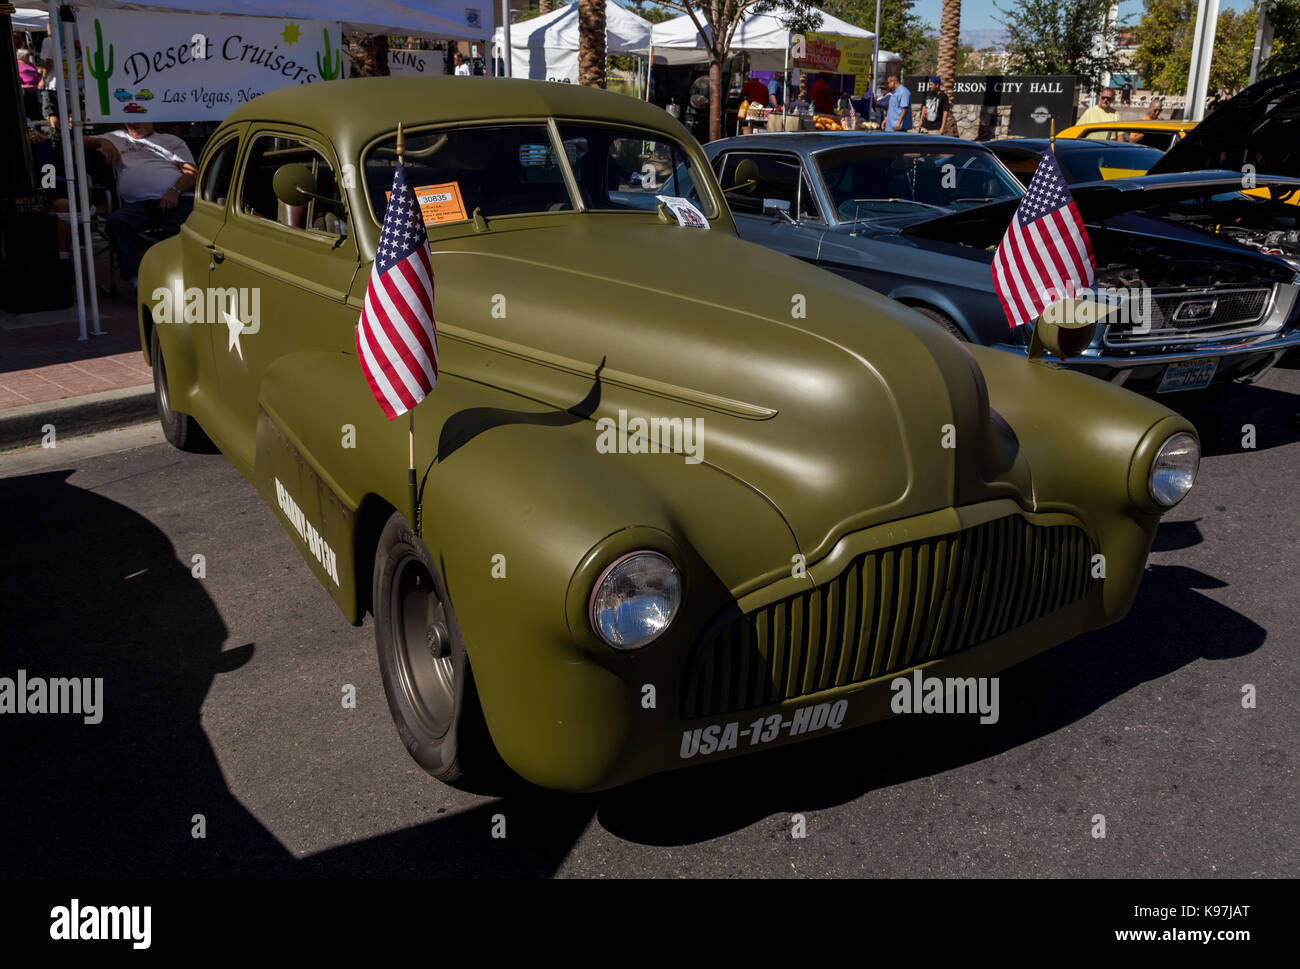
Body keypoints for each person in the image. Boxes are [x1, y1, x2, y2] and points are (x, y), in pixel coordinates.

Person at [82, 122, 197, 290]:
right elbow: (76, 142)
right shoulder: (116, 137)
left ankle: (180, 279)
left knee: (180, 229)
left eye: (138, 120)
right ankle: (139, 282)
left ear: (150, 121)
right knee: (116, 222)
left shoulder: (170, 140)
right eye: (129, 121)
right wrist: (102, 142)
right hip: (139, 205)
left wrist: (174, 192)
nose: (133, 124)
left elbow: (191, 173)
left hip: (177, 199)